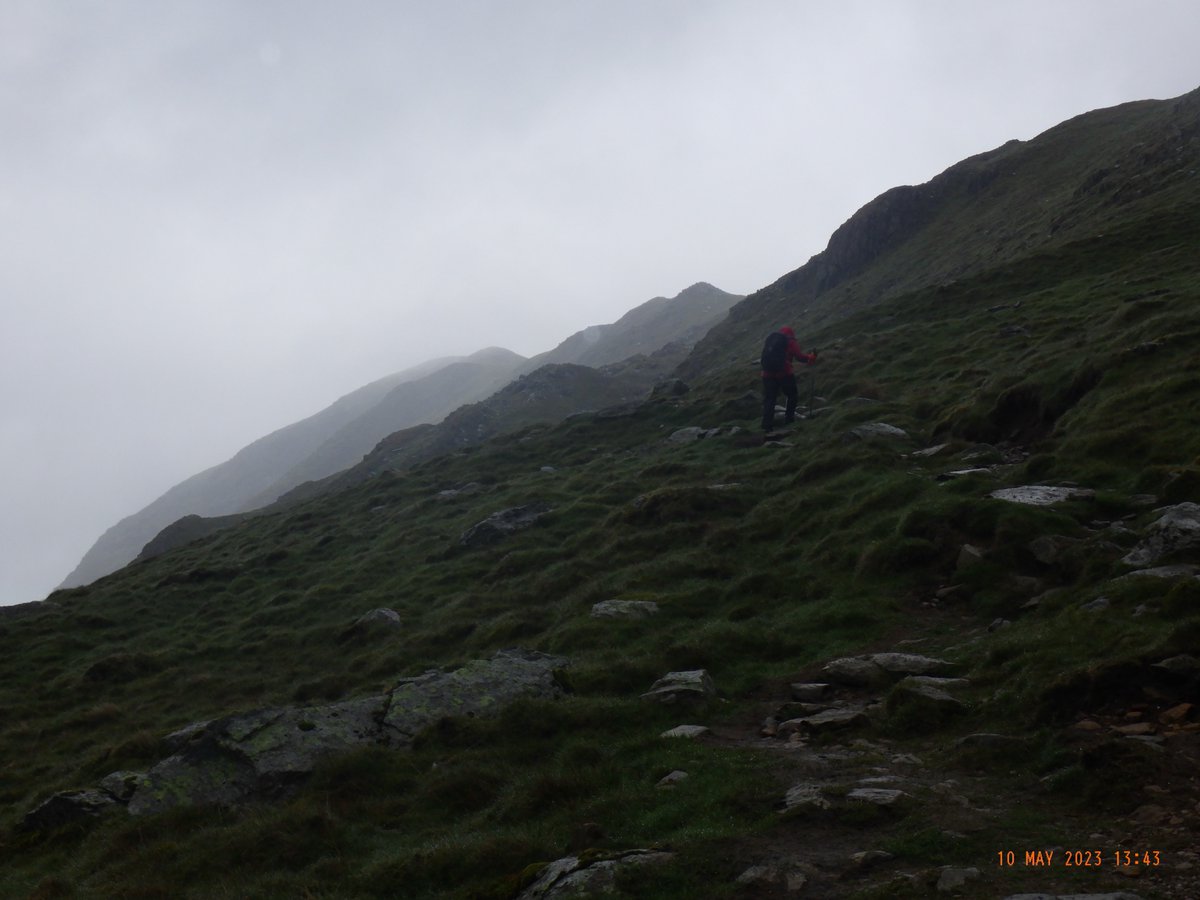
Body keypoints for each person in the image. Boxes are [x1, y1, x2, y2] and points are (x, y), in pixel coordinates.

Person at [760, 326, 817, 433]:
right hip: (784, 373)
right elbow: (799, 356)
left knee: (770, 399)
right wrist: (811, 357)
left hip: (767, 374)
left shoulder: (772, 340)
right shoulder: (790, 341)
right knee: (792, 395)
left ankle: (767, 426)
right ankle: (789, 419)